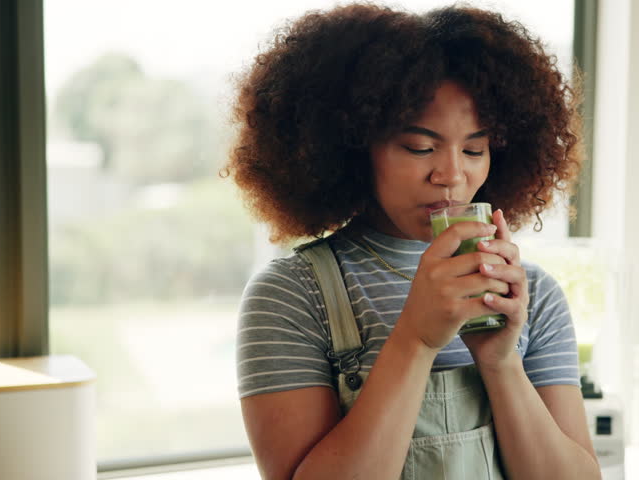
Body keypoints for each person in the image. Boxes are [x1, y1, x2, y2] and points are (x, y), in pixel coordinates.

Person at [225, 4, 601, 479]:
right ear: (355, 147)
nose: (451, 176)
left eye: (474, 149)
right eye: (419, 147)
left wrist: (502, 361)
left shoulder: (533, 296)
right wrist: (416, 339)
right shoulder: (291, 296)